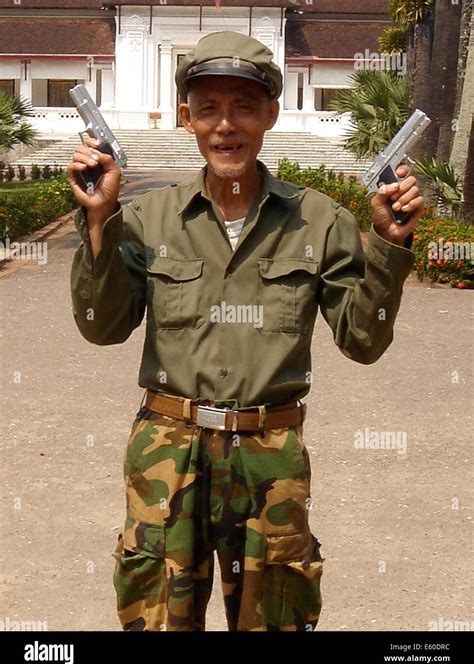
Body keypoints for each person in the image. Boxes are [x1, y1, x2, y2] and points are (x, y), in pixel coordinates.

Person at [67, 31, 424, 632]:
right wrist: (99, 221)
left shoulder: (320, 221)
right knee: (157, 620)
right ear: (187, 118)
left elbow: (364, 342)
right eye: (208, 108)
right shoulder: (147, 220)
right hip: (167, 452)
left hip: (270, 457)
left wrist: (389, 247)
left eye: (243, 106)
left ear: (270, 114)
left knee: (275, 621)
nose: (225, 125)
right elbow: (102, 327)